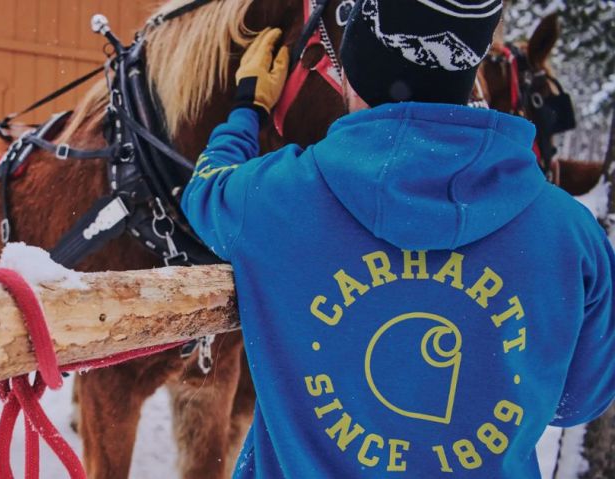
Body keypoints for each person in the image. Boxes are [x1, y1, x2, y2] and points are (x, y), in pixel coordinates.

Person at [180, 0, 615, 477]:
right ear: (469, 76)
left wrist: (249, 106)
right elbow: (578, 401)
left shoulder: (273, 201)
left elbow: (205, 185)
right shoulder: (572, 238)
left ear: (352, 71)